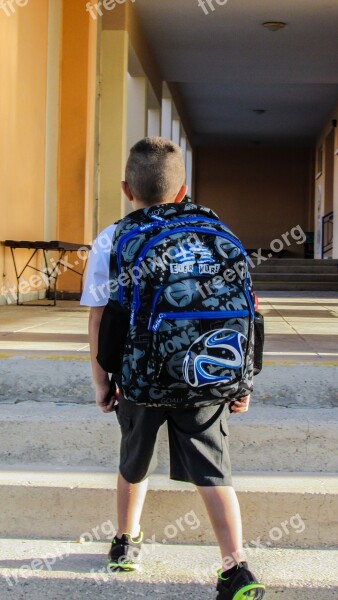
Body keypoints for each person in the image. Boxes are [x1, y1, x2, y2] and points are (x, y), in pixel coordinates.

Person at [81, 137, 265, 600]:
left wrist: (102, 380)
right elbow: (245, 309)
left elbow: (99, 315)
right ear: (184, 191)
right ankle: (235, 566)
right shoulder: (218, 231)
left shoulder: (114, 236)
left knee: (134, 460)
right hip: (206, 376)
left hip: (140, 378)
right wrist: (240, 378)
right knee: (214, 472)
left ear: (127, 189)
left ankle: (126, 542)